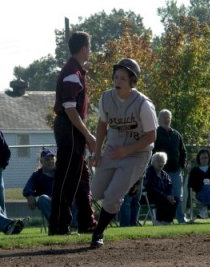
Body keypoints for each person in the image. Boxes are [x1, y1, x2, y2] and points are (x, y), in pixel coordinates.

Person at [90, 58, 157, 249]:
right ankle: (125, 189)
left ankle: (98, 232)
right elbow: (102, 125)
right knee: (94, 192)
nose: (118, 81)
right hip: (113, 150)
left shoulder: (143, 104)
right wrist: (97, 153)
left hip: (137, 154)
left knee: (112, 196)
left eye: (123, 78)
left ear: (133, 82)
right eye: (116, 77)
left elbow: (151, 136)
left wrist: (126, 151)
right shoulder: (106, 98)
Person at [49, 31, 97, 235]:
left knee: (81, 177)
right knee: (67, 177)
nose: (91, 51)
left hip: (71, 128)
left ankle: (87, 220)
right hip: (69, 127)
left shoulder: (75, 71)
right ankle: (59, 224)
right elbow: (70, 110)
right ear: (84, 49)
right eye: (90, 47)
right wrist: (88, 135)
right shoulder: (72, 74)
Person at [152, 109, 187, 224]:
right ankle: (164, 220)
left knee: (178, 197)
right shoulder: (155, 134)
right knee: (163, 197)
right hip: (160, 173)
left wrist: (181, 165)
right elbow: (150, 152)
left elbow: (183, 152)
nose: (167, 119)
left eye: (168, 117)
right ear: (159, 119)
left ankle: (181, 219)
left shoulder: (176, 135)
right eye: (164, 117)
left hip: (176, 171)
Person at [144, 152, 177, 225]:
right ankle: (159, 220)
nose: (161, 163)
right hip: (150, 196)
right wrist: (165, 195)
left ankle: (167, 221)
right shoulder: (149, 172)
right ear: (153, 162)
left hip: (164, 195)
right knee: (161, 199)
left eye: (162, 161)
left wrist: (169, 195)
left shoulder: (164, 174)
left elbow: (169, 186)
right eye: (158, 161)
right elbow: (150, 187)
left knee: (175, 200)